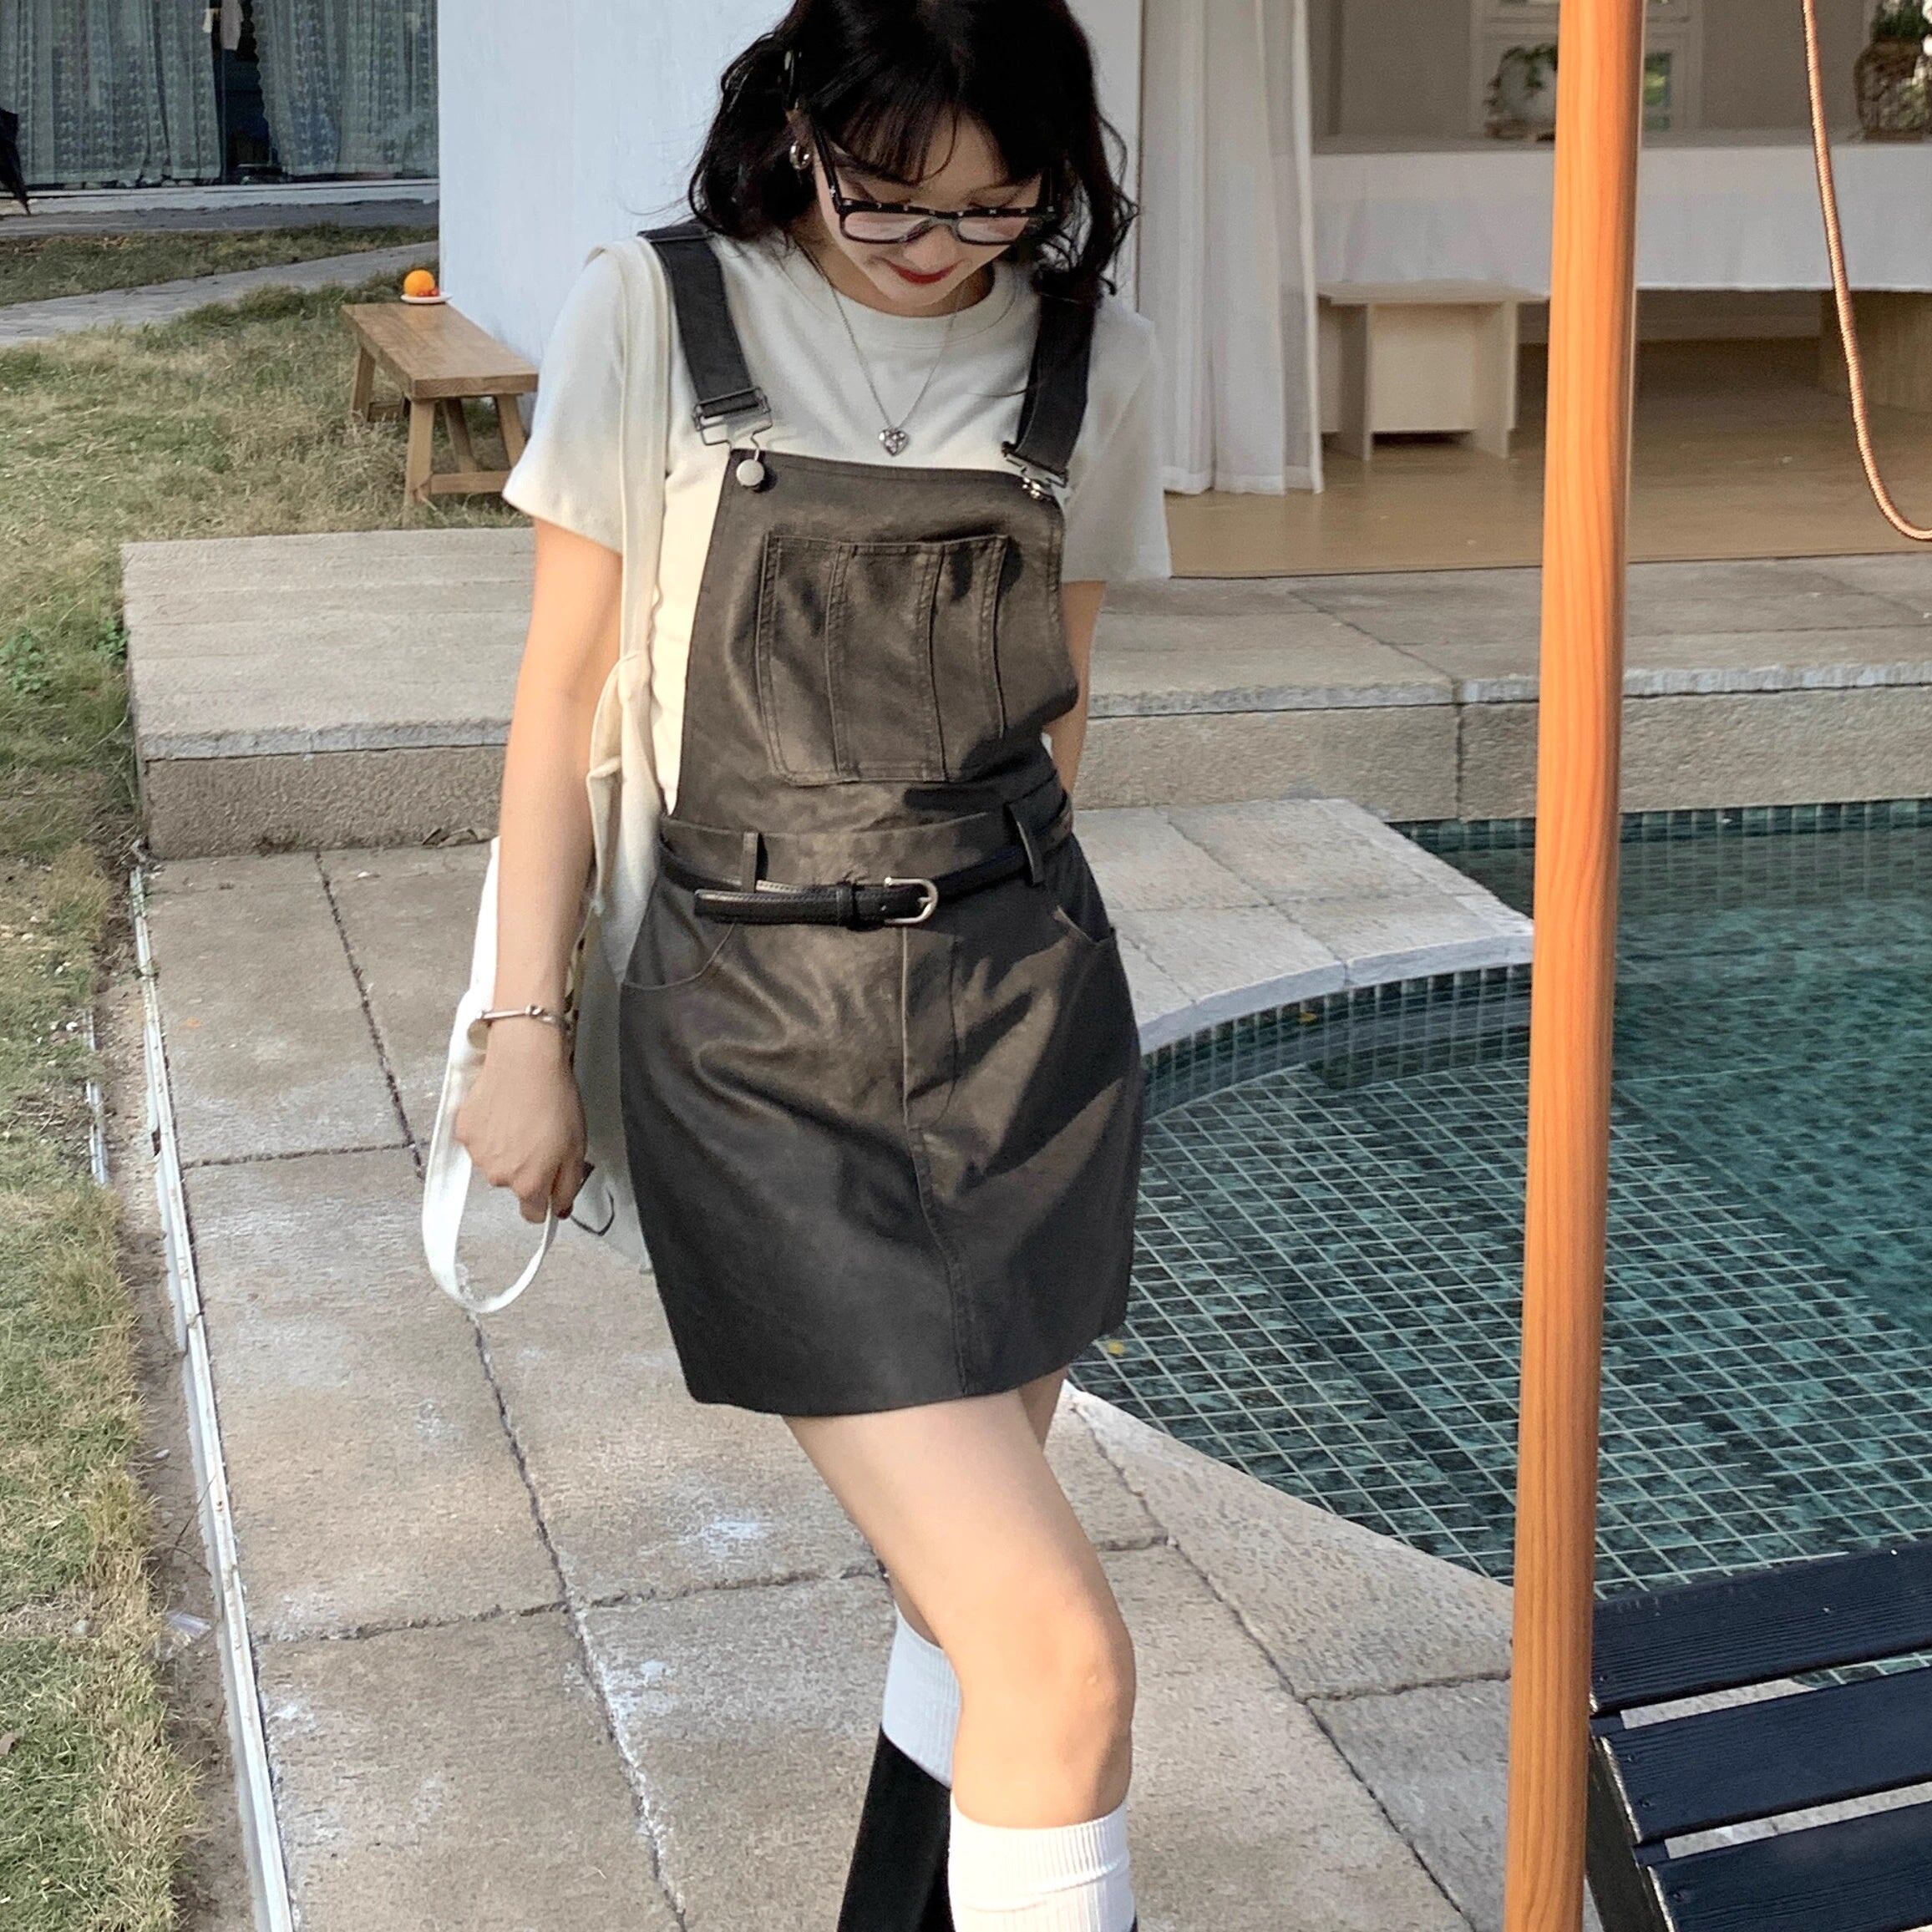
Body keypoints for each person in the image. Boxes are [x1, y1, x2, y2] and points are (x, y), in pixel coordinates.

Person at [455, 2, 1169, 1924]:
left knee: (967, 1605)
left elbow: (1059, 709)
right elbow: (559, 702)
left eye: (992, 210)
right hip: (751, 1038)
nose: (934, 250)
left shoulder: (1093, 361)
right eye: (885, 200)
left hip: (1020, 1032)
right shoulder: (654, 313)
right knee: (1062, 1657)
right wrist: (523, 1027)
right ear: (798, 128)